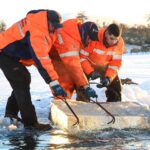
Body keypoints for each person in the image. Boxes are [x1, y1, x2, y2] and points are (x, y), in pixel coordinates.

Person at [0, 9, 67, 130]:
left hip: (12, 56)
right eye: (53, 26)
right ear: (47, 22)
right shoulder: (37, 31)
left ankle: (11, 115)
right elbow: (41, 59)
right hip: (3, 53)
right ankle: (31, 124)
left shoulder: (43, 27)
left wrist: (53, 82)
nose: (55, 29)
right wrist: (53, 82)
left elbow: (39, 57)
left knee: (24, 79)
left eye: (57, 27)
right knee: (21, 80)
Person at [49, 19, 99, 99]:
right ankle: (61, 106)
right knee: (65, 82)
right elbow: (73, 66)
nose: (89, 41)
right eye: (89, 38)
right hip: (50, 57)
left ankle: (63, 103)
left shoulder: (74, 33)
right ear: (84, 33)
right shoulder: (69, 38)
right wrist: (86, 86)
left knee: (69, 81)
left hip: (58, 58)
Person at [79, 23, 125, 102]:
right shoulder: (94, 37)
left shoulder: (119, 43)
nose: (113, 42)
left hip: (105, 66)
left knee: (116, 86)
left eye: (115, 39)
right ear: (106, 33)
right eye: (111, 38)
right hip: (88, 64)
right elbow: (81, 57)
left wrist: (108, 78)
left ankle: (114, 106)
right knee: (81, 84)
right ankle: (82, 104)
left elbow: (115, 63)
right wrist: (90, 72)